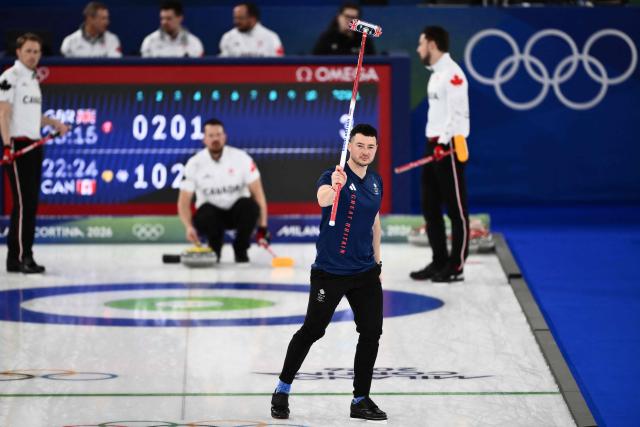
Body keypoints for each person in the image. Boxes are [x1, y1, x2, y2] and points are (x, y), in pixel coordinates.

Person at [270, 124, 387, 422]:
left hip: (365, 272)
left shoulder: (375, 182)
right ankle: (282, 389)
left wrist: (378, 264)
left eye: (370, 147)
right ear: (350, 146)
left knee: (371, 332)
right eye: (360, 145)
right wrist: (334, 189)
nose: (365, 151)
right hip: (330, 272)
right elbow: (322, 199)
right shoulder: (333, 176)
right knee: (313, 330)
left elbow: (375, 225)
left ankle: (360, 399)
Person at [0, 33, 70, 274]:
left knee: (29, 205)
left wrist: (54, 123)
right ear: (18, 52)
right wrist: (8, 146)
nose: (33, 56)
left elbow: (30, 114)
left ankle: (18, 257)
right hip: (18, 146)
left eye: (36, 51)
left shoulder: (32, 79)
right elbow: (4, 113)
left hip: (34, 145)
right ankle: (21, 257)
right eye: (28, 51)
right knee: (23, 204)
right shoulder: (10, 77)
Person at [410, 26, 470, 283]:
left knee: (456, 210)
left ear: (432, 44)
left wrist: (443, 145)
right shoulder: (434, 75)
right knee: (429, 206)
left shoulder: (453, 74)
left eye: (421, 44)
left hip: (448, 148)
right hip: (432, 146)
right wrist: (432, 143)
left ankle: (456, 266)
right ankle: (439, 260)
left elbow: (458, 116)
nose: (418, 49)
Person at [177, 118, 269, 263]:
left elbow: (259, 194)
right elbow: (183, 202)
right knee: (206, 214)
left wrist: (263, 227)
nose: (215, 139)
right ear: (204, 139)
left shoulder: (242, 158)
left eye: (218, 135)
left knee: (250, 206)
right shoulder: (194, 164)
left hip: (236, 213)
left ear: (224, 137)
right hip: (211, 216)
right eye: (211, 135)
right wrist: (188, 227)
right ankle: (214, 249)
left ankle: (241, 249)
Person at [218, 2, 284, 57]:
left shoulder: (271, 37)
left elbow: (279, 64)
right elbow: (223, 65)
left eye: (240, 18)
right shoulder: (227, 37)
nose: (236, 22)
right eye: (235, 18)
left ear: (253, 18)